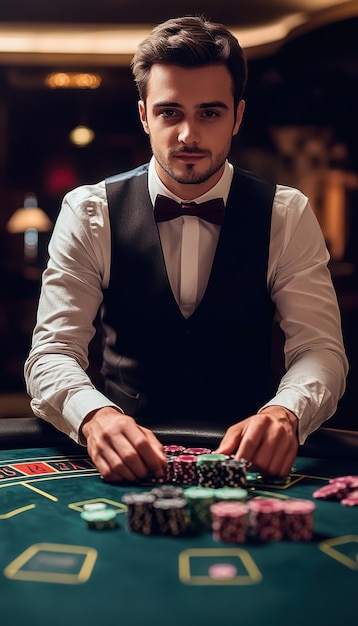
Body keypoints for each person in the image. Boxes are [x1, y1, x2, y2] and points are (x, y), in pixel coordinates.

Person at [24, 15, 348, 483]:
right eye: (170, 112)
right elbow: (52, 350)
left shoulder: (286, 212)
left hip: (245, 461)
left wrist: (285, 413)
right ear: (144, 116)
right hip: (127, 458)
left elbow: (320, 349)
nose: (188, 136)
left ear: (237, 116)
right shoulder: (89, 210)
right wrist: (96, 417)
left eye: (209, 113)